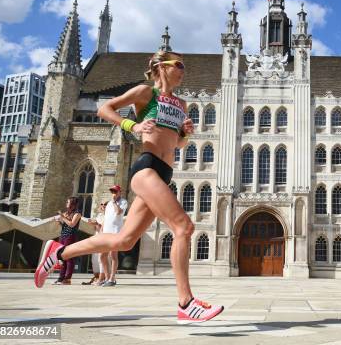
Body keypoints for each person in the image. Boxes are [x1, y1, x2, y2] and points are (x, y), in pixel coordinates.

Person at [35, 50, 224, 323]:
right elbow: (104, 109)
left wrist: (185, 134)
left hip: (164, 172)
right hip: (146, 169)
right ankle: (186, 302)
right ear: (161, 67)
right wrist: (132, 126)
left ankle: (59, 252)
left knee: (124, 241)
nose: (183, 69)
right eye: (178, 64)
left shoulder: (182, 105)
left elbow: (178, 144)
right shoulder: (146, 93)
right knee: (184, 227)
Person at [99, 186, 128, 287]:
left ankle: (112, 278)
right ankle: (107, 278)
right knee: (102, 256)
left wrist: (115, 202)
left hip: (115, 231)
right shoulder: (109, 203)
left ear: (120, 192)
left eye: (115, 191)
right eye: (112, 191)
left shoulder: (123, 202)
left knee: (113, 255)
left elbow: (119, 212)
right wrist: (102, 228)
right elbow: (107, 217)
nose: (113, 193)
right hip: (106, 232)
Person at [53, 197, 81, 285]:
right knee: (62, 257)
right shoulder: (66, 213)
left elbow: (72, 225)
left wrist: (62, 217)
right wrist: (59, 222)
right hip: (63, 236)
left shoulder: (77, 214)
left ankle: (67, 278)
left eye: (68, 202)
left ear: (72, 204)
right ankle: (61, 277)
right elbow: (66, 226)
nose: (66, 203)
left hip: (71, 236)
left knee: (69, 257)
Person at [84, 202, 107, 285]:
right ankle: (96, 277)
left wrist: (96, 224)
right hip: (97, 237)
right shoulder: (99, 216)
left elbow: (104, 228)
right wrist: (93, 224)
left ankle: (102, 278)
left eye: (105, 204)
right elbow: (97, 229)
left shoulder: (108, 216)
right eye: (102, 204)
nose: (103, 206)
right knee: (94, 259)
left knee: (102, 259)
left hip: (104, 238)